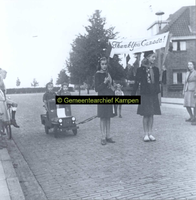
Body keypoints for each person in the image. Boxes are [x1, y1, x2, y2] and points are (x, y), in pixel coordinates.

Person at [132, 50, 161, 142]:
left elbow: (157, 82)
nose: (154, 59)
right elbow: (137, 82)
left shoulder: (156, 69)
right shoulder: (140, 70)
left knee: (151, 114)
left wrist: (159, 94)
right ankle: (145, 134)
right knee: (146, 114)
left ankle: (150, 133)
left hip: (153, 94)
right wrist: (133, 94)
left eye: (154, 57)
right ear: (147, 58)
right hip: (145, 94)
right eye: (152, 57)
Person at [95, 57, 115, 145]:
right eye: (102, 64)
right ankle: (103, 137)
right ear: (100, 65)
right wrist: (104, 82)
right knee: (103, 117)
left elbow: (111, 86)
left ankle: (108, 135)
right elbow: (96, 88)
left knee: (108, 117)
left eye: (105, 64)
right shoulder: (97, 74)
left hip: (109, 98)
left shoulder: (108, 74)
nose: (104, 66)